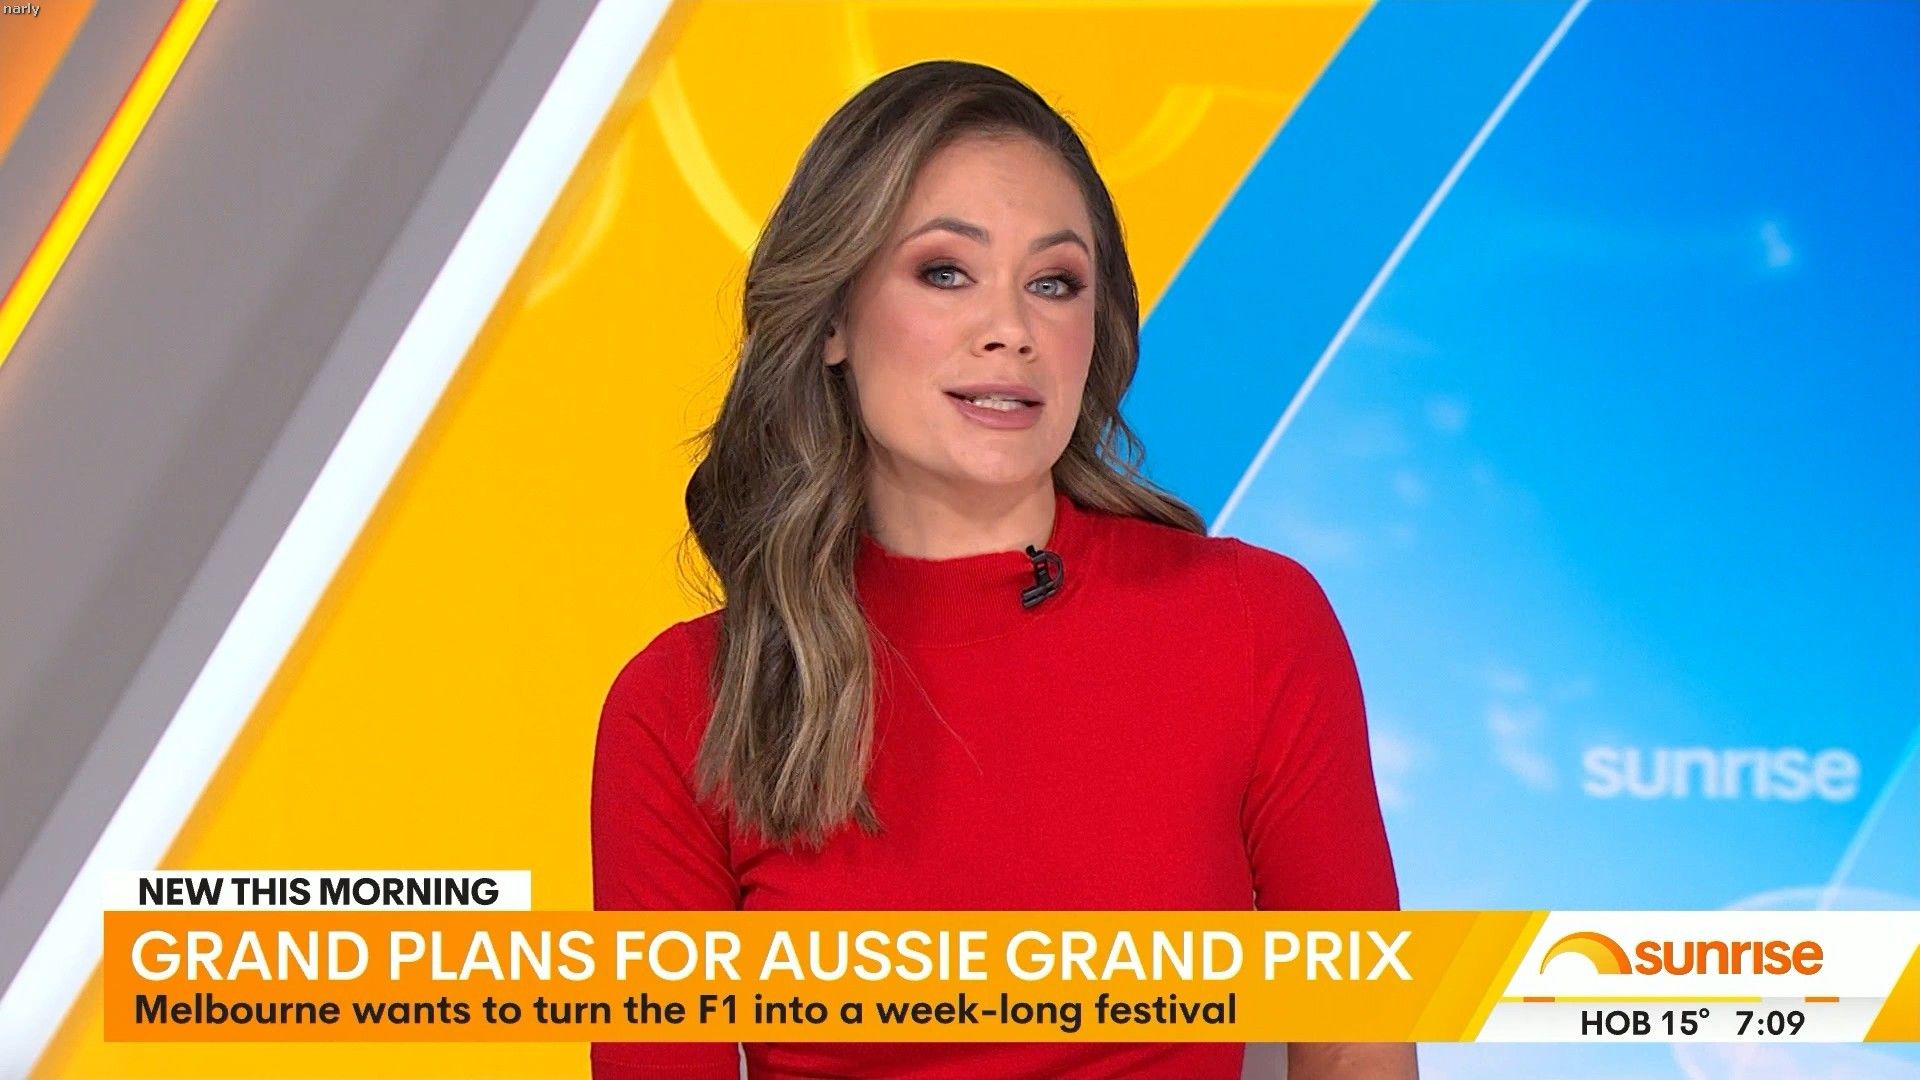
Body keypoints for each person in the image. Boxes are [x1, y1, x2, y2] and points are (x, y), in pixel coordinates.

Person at [591, 59, 1412, 1080]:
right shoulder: (680, 706)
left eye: (1053, 284)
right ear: (834, 318)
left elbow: (1357, 1040)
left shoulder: (1250, 621)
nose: (1012, 332)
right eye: (946, 272)